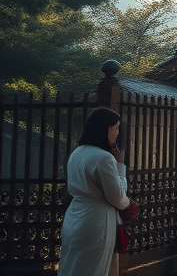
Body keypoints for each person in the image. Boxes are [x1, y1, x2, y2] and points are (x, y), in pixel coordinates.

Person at [59, 107, 139, 276]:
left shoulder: (77, 153)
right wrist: (120, 167)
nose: (117, 133)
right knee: (94, 269)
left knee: (72, 267)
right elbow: (117, 196)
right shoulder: (104, 157)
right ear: (104, 128)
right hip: (97, 221)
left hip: (75, 217)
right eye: (115, 127)